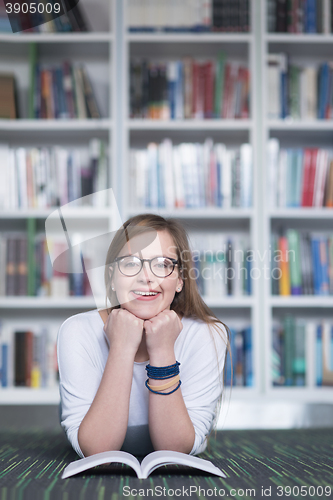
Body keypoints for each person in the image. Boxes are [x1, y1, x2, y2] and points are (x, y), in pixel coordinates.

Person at [57, 213, 230, 458]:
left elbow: (175, 450)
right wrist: (122, 348)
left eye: (161, 264)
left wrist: (162, 351)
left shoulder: (208, 335)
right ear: (112, 278)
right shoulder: (77, 330)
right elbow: (97, 451)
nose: (146, 277)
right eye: (130, 263)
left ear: (180, 279)